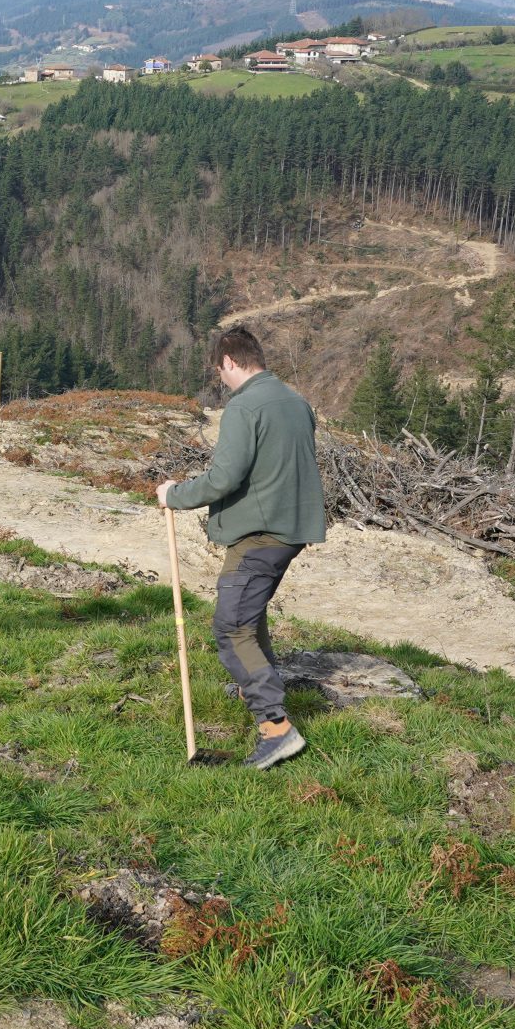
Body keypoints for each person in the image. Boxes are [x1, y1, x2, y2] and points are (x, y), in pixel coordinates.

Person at [155, 325, 326, 771]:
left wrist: (174, 494)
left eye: (220, 371)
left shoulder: (245, 406)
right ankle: (268, 700)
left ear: (230, 362)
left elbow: (223, 478)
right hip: (290, 529)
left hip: (259, 533)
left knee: (231, 628)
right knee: (249, 620)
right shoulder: (296, 401)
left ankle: (276, 728)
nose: (222, 379)